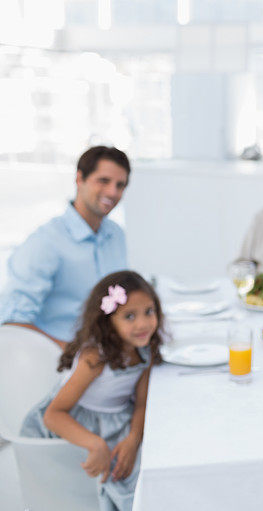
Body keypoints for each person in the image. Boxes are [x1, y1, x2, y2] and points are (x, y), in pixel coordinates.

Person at [20, 270, 163, 511]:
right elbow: (53, 414)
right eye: (129, 316)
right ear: (108, 322)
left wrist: (133, 438)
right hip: (77, 421)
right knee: (127, 477)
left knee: (151, 456)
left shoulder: (144, 349)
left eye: (149, 312)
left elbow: (141, 402)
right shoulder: (95, 358)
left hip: (120, 419)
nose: (143, 323)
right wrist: (95, 444)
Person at [0, 146, 130, 348]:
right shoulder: (45, 242)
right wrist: (72, 353)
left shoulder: (116, 235)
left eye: (120, 185)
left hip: (107, 354)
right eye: (103, 181)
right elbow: (13, 322)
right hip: (61, 361)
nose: (113, 192)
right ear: (80, 179)